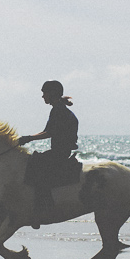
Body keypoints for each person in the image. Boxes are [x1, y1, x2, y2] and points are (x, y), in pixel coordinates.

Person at [17, 80, 79, 226]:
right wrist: (29, 138)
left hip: (60, 152)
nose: (43, 96)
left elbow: (49, 133)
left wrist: (29, 138)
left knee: (36, 166)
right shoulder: (58, 108)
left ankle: (42, 208)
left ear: (52, 94)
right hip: (60, 151)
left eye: (44, 93)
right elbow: (47, 131)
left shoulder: (59, 110)